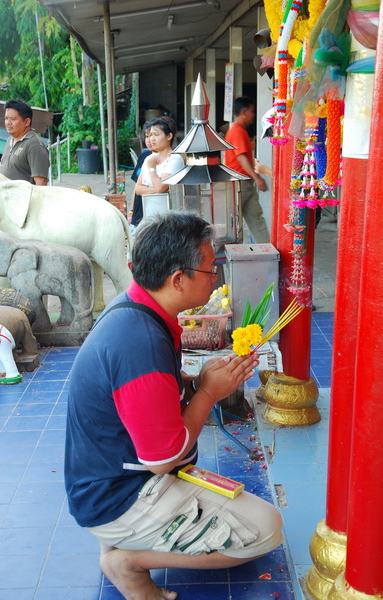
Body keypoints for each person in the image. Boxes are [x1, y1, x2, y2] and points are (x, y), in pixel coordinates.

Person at [65, 211, 283, 600]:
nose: (216, 278)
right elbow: (162, 461)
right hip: (121, 495)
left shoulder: (138, 307)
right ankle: (127, 561)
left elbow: (144, 392)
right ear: (178, 279)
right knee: (267, 529)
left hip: (113, 478)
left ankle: (127, 544)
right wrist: (207, 394)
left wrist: (195, 380)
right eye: (210, 269)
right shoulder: (139, 344)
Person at [224, 97, 269, 243]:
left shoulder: (238, 130)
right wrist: (257, 177)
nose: (253, 115)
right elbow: (241, 158)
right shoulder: (237, 131)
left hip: (244, 183)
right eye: (252, 111)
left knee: (255, 218)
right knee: (232, 221)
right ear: (244, 112)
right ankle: (228, 252)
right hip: (239, 183)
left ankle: (266, 252)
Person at [133, 117, 184, 211]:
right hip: (149, 213)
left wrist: (152, 169)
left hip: (168, 216)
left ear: (169, 136)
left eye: (156, 135)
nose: (151, 139)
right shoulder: (149, 159)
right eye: (150, 135)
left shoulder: (175, 159)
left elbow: (161, 187)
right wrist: (156, 189)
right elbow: (138, 189)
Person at [0, 98, 49, 185]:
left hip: (22, 198)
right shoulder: (9, 140)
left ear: (26, 122)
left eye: (13, 119)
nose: (8, 122)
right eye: (6, 118)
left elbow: (41, 183)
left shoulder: (34, 145)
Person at [128, 122, 153, 229]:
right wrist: (131, 211)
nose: (149, 140)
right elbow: (136, 187)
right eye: (147, 136)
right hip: (138, 211)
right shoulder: (144, 156)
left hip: (153, 213)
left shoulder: (169, 160)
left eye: (154, 135)